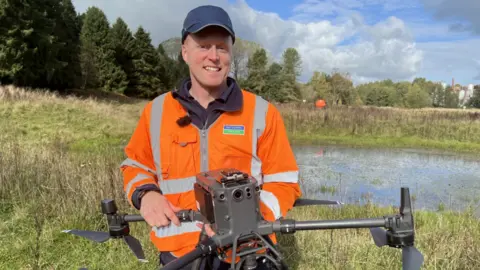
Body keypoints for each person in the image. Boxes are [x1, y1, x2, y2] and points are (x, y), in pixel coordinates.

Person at [120, 4, 302, 269]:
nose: (213, 56)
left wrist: (249, 217)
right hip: (179, 254)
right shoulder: (156, 112)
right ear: (184, 52)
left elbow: (285, 181)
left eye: (222, 47)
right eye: (203, 46)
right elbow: (135, 165)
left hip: (247, 251)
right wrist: (146, 195)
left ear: (231, 52)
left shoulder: (262, 113)